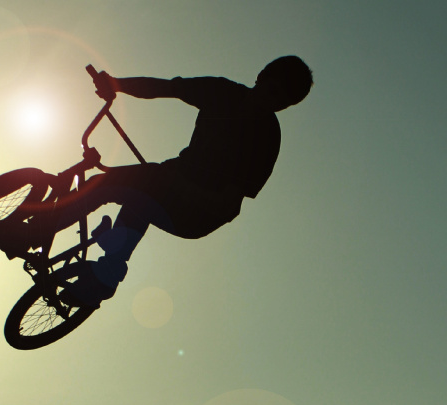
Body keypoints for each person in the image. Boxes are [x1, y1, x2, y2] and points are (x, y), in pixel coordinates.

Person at [48, 57, 313, 308]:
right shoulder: (222, 92)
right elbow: (166, 88)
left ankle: (89, 259)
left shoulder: (267, 139)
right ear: (261, 77)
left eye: (282, 101)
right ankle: (100, 254)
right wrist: (116, 84)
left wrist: (186, 189)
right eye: (272, 89)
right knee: (112, 186)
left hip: (195, 214)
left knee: (127, 191)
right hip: (168, 179)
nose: (271, 102)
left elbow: (230, 205)